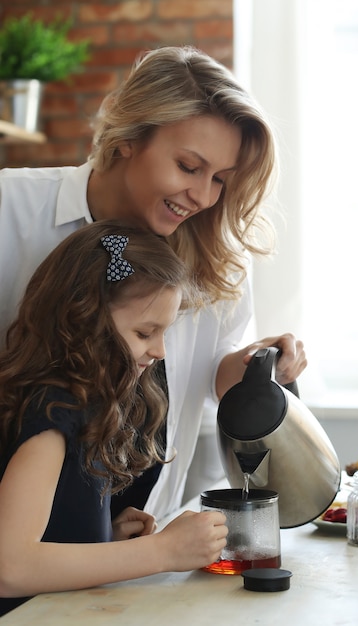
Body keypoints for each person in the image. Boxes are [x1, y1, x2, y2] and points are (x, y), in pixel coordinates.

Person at [0, 45, 307, 522]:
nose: (203, 197)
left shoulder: (219, 260)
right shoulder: (9, 209)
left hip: (138, 537)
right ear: (128, 136)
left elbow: (209, 379)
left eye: (221, 179)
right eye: (188, 167)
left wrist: (255, 365)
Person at [0, 221, 228, 616]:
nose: (159, 350)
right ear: (85, 319)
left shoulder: (89, 405)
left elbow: (47, 535)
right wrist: (161, 551)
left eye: (164, 334)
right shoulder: (51, 414)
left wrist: (102, 538)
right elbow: (10, 567)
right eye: (144, 333)